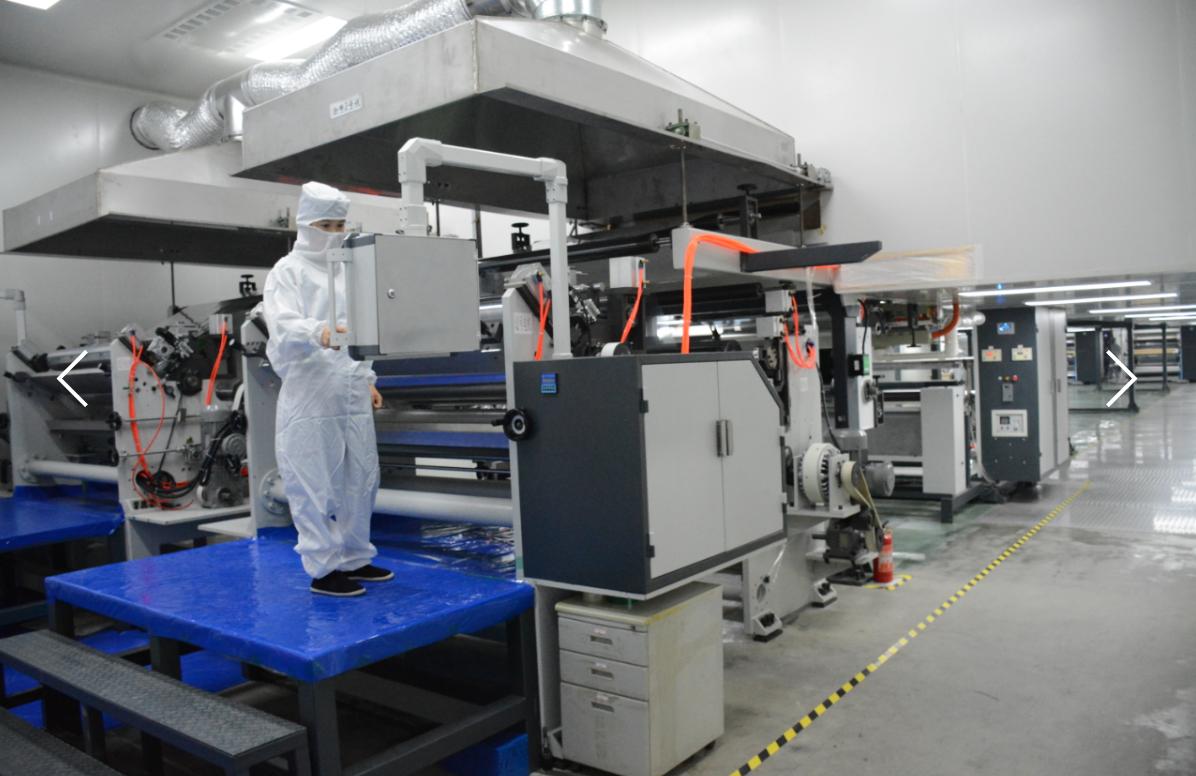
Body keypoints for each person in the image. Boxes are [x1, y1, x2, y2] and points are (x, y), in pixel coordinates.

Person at [263, 182, 391, 597]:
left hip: (349, 387)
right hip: (310, 392)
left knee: (361, 477)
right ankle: (323, 567)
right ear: (305, 225)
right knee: (313, 478)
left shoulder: (348, 271)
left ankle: (356, 557)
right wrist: (315, 331)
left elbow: (361, 330)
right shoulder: (288, 271)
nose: (335, 233)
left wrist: (367, 378)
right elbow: (282, 324)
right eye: (326, 225)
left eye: (340, 225)